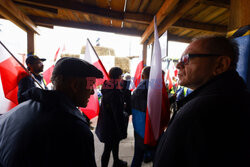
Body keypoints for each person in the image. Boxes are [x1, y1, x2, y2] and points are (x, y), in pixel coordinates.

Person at [154, 36, 250, 167]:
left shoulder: (200, 111)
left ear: (220, 65)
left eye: (186, 58)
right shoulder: (235, 96)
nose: (178, 65)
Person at [0, 57, 103, 167]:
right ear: (75, 85)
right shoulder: (75, 129)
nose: (92, 91)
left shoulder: (16, 112)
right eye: (91, 84)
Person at [95, 67, 128, 167]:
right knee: (108, 148)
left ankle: (116, 161)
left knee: (114, 144)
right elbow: (117, 112)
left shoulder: (108, 87)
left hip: (107, 122)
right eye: (121, 76)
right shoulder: (114, 91)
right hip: (112, 125)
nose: (122, 78)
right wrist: (121, 127)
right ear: (118, 76)